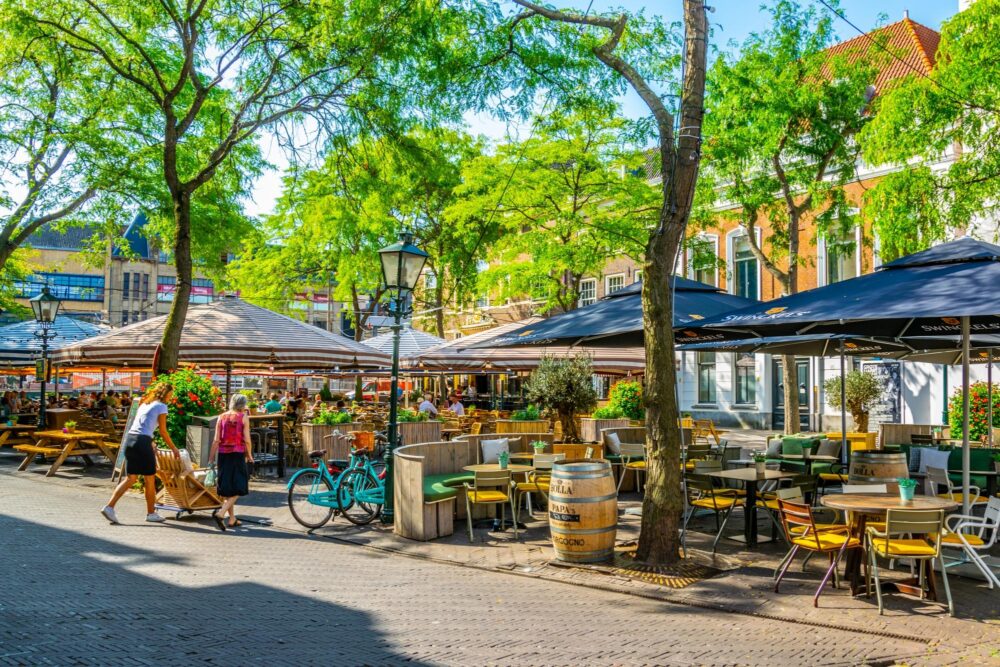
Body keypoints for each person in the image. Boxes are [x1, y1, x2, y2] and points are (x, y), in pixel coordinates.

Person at [101, 382, 180, 525]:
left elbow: (141, 426)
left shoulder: (144, 404)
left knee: (131, 478)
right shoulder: (162, 406)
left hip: (130, 440)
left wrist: (150, 442)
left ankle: (109, 506)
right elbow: (163, 431)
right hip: (142, 442)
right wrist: (174, 448)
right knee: (149, 479)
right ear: (166, 394)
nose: (171, 397)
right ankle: (151, 513)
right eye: (170, 394)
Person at [208, 393, 254, 530]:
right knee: (240, 486)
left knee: (228, 488)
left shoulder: (221, 416)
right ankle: (221, 513)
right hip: (237, 454)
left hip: (223, 455)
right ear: (243, 404)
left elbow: (216, 440)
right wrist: (250, 454)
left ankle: (232, 519)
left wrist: (211, 458)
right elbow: (247, 439)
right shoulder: (243, 417)